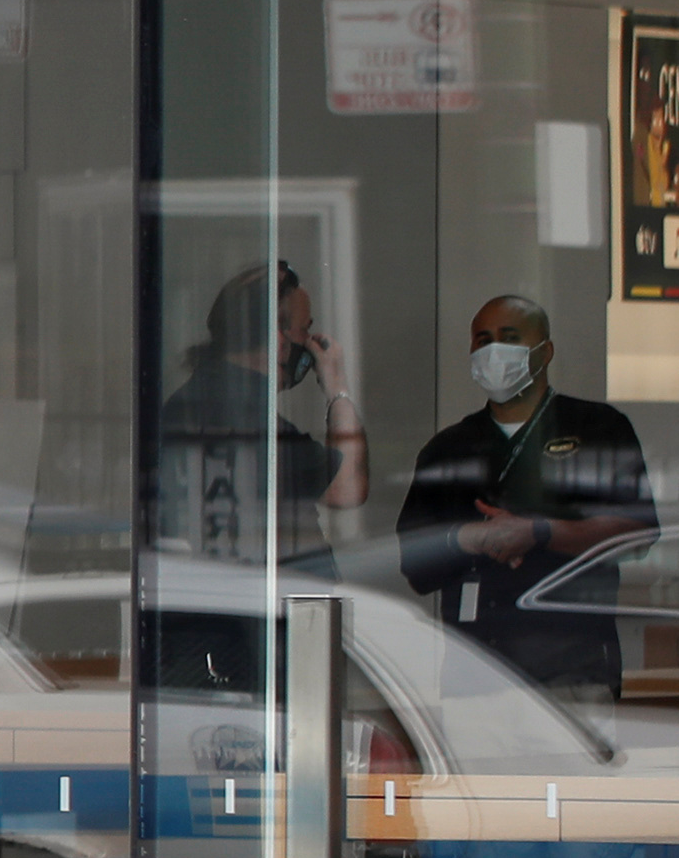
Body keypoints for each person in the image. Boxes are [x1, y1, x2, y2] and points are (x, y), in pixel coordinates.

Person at [396, 295, 657, 694]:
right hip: (474, 673)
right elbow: (414, 564)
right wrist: (465, 539)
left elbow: (637, 533)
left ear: (545, 351)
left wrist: (541, 532)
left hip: (573, 669)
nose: (493, 350)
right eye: (483, 340)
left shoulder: (598, 428)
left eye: (509, 337)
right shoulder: (448, 448)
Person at [160, 260, 366, 563]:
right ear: (278, 338)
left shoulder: (198, 401)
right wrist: (338, 389)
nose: (309, 343)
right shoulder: (248, 417)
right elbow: (346, 488)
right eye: (304, 330)